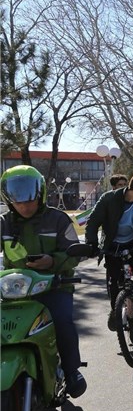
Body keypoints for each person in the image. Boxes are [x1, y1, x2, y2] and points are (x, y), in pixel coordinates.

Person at [1, 165, 88, 398]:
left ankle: (71, 371)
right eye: (18, 201)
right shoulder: (3, 223)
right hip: (13, 290)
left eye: (29, 200)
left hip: (55, 285)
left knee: (62, 322)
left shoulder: (58, 219)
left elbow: (75, 252)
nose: (24, 205)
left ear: (40, 194)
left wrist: (52, 261)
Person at [84, 170, 133, 331]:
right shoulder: (109, 199)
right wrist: (92, 244)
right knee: (114, 281)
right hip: (113, 246)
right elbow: (93, 221)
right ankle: (115, 310)